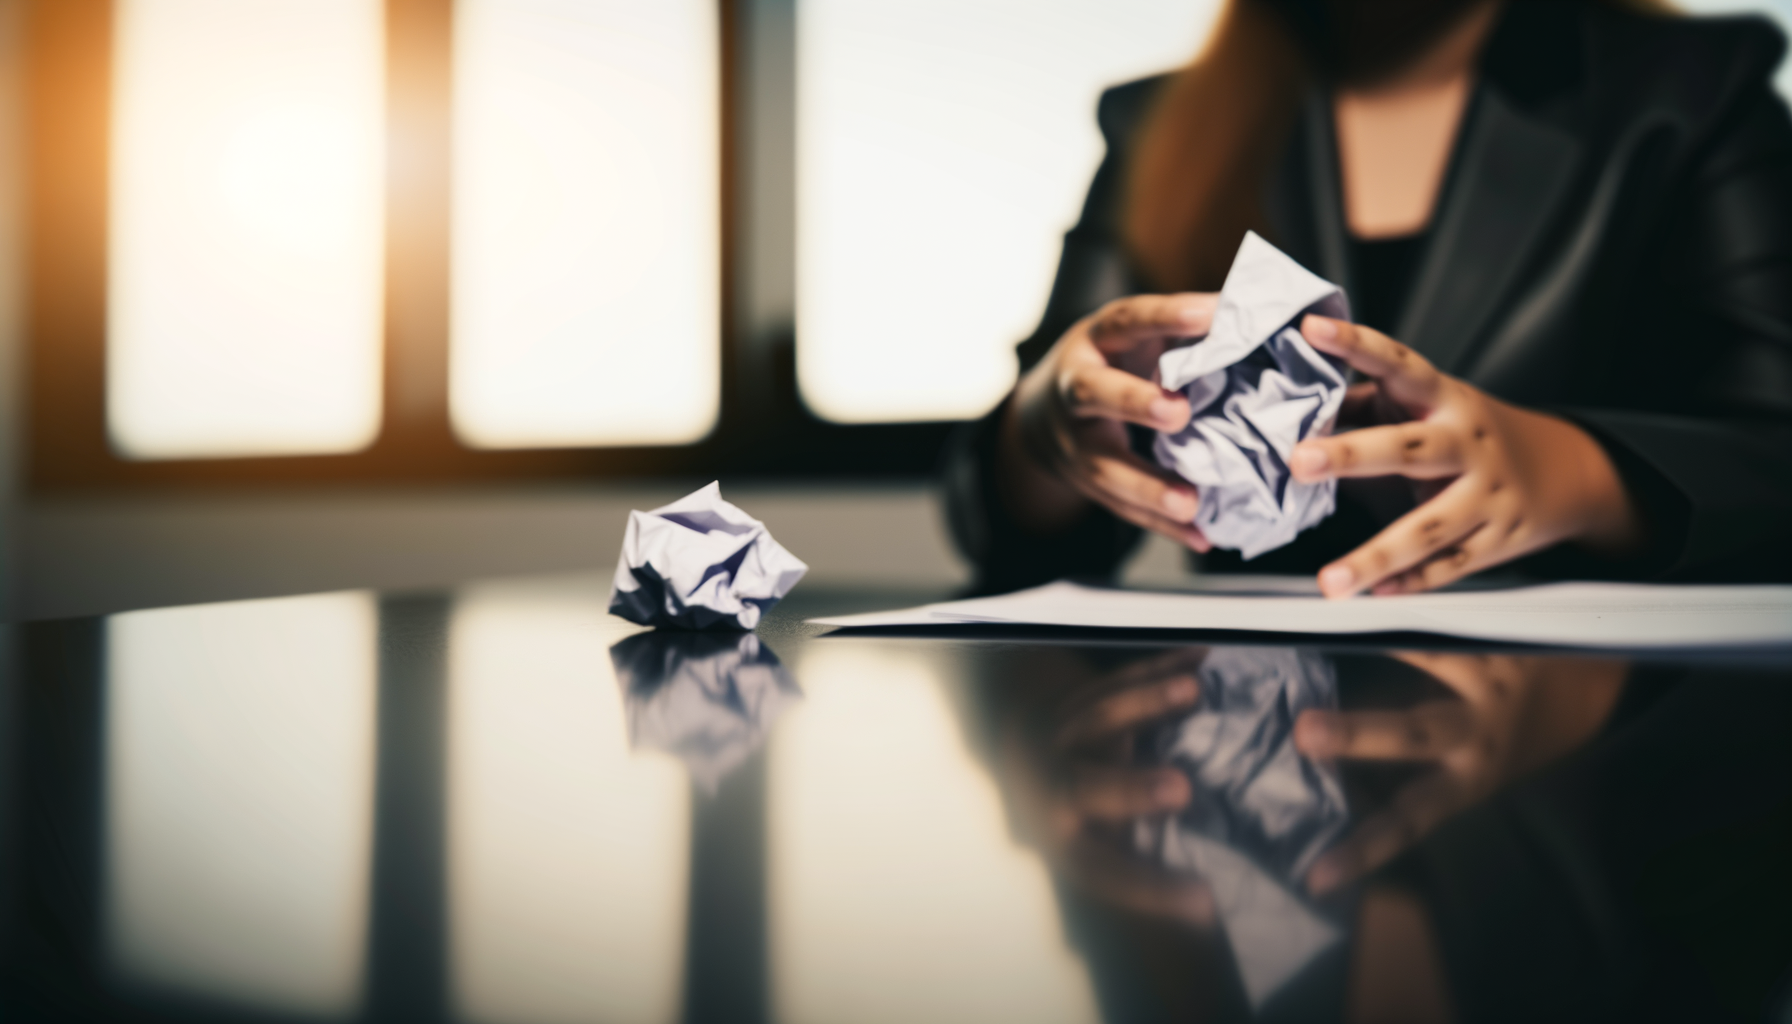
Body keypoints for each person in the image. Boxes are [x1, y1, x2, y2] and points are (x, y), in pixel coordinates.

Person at [943, 0, 1792, 598]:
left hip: (1601, 752)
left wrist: (1568, 472)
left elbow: (1772, 453)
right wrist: (1043, 432)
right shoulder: (1161, 126)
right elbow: (997, 524)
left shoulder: (1693, 95)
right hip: (1251, 743)